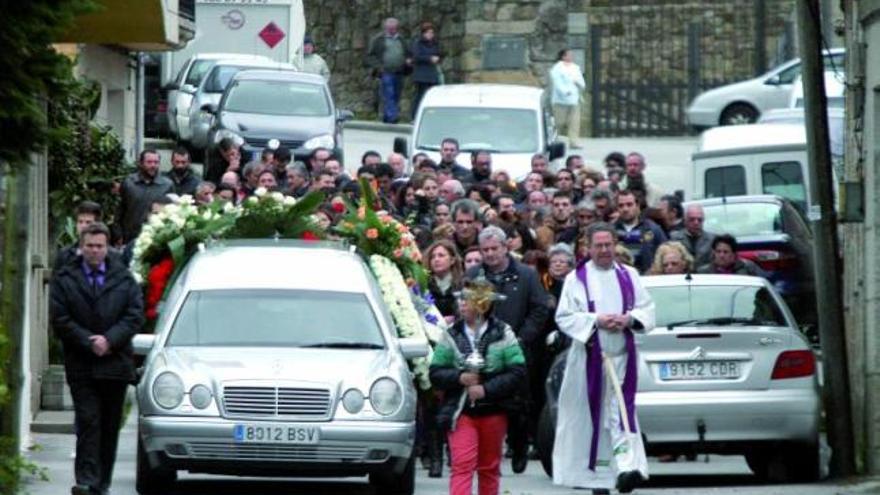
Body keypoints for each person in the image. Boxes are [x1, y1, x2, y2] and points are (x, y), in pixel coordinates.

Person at [553, 222, 655, 494]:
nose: (604, 250)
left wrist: (629, 319)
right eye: (598, 245)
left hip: (622, 356)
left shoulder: (629, 275)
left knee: (619, 412)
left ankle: (624, 468)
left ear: (615, 245)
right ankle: (599, 476)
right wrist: (596, 320)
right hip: (589, 360)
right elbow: (564, 316)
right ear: (588, 247)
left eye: (608, 245)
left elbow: (647, 309)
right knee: (594, 418)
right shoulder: (577, 279)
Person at [50, 222, 144, 495]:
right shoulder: (66, 278)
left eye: (99, 246)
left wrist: (110, 340)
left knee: (109, 424)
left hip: (115, 364)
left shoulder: (124, 278)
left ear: (108, 247)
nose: (94, 251)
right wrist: (88, 341)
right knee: (88, 420)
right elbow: (60, 318)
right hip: (82, 362)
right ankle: (86, 479)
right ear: (81, 247)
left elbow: (134, 316)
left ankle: (101, 482)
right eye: (89, 246)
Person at [430, 277, 526, 495]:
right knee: (462, 465)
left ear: (483, 303)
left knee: (489, 468)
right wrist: (459, 377)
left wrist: (486, 389)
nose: (462, 304)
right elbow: (435, 372)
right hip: (460, 411)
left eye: (468, 299)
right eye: (461, 299)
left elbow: (518, 371)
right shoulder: (451, 333)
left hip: (494, 409)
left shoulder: (503, 332)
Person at [467, 226, 549, 474]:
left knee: (518, 404)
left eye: (495, 248)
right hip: (483, 348)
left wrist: (522, 338)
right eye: (486, 250)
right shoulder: (475, 274)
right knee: (485, 401)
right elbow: (468, 307)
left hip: (516, 348)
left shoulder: (526, 275)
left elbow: (539, 309)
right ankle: (487, 452)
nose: (490, 254)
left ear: (506, 248)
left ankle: (519, 443)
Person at [117, 149, 173, 244]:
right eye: (149, 162)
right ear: (141, 163)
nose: (153, 165)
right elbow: (119, 210)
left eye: (156, 162)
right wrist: (118, 234)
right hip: (131, 238)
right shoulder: (129, 183)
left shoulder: (167, 185)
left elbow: (172, 213)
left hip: (156, 239)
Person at [366, 17, 411, 123]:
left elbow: (408, 53)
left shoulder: (401, 40)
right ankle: (393, 117)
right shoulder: (378, 40)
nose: (392, 30)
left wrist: (408, 61)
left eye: (394, 28)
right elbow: (370, 56)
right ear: (386, 28)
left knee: (396, 95)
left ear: (397, 28)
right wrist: (379, 67)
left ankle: (387, 117)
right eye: (390, 28)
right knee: (389, 93)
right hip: (385, 72)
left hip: (399, 72)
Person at [614, 189, 667, 274]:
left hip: (646, 279)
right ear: (617, 208)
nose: (625, 209)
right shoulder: (610, 230)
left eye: (629, 204)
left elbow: (665, 253)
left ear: (637, 206)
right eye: (621, 205)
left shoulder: (653, 229)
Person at [550, 49, 586, 149]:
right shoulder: (557, 69)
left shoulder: (575, 68)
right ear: (563, 57)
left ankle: (574, 142)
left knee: (574, 122)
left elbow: (582, 83)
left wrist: (579, 83)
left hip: (574, 100)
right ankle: (553, 139)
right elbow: (557, 84)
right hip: (560, 100)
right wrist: (565, 92)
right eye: (569, 55)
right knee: (559, 122)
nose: (571, 56)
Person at [55, 201, 103, 268]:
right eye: (80, 222)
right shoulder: (65, 255)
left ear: (98, 225)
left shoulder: (110, 255)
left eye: (88, 222)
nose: (83, 226)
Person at [411, 21, 442, 119]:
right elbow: (416, 57)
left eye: (432, 33)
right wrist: (429, 58)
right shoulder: (418, 43)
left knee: (433, 96)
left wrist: (438, 58)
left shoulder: (435, 43)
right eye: (428, 33)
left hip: (432, 74)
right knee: (420, 96)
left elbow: (440, 54)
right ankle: (415, 116)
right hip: (421, 75)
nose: (430, 35)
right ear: (423, 33)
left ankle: (430, 116)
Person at [697, 234, 767, 276]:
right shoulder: (703, 273)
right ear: (713, 252)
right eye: (718, 251)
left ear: (733, 254)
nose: (721, 255)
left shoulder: (749, 268)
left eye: (725, 252)